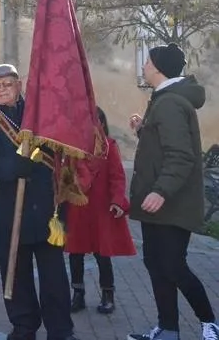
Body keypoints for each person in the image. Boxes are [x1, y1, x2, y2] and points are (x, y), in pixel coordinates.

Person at [0, 64, 78, 340]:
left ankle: (60, 330)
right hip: (7, 209)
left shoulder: (39, 116)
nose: (2, 90)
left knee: (54, 276)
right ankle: (24, 327)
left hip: (46, 209)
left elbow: (60, 152)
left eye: (8, 84)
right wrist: (12, 167)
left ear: (19, 85)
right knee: (16, 277)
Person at [128, 43, 218, 340]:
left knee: (172, 265)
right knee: (156, 263)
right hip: (159, 202)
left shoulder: (169, 103)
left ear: (157, 67)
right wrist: (144, 131)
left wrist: (161, 191)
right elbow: (164, 145)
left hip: (170, 203)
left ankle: (209, 324)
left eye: (147, 62)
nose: (143, 66)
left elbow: (180, 156)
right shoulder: (165, 99)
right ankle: (167, 329)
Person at [65, 107, 135, 315]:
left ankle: (107, 294)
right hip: (78, 207)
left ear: (102, 124)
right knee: (75, 253)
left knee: (102, 254)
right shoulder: (72, 147)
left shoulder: (109, 147)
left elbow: (117, 176)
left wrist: (117, 201)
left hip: (100, 208)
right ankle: (78, 294)